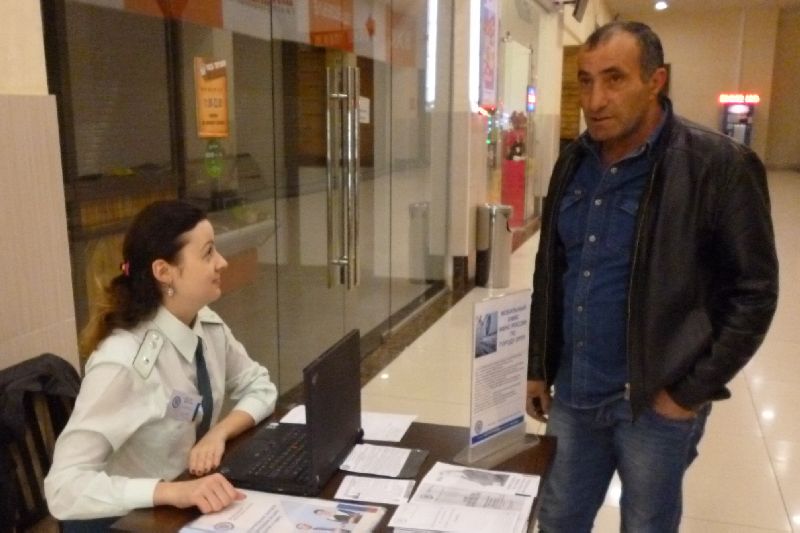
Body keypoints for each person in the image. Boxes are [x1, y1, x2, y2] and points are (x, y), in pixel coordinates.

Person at [525, 21, 778, 532]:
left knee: (646, 525)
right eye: (586, 80)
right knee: (557, 519)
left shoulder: (718, 165)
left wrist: (686, 394)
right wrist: (538, 364)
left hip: (655, 401)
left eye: (614, 79)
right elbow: (551, 272)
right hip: (574, 392)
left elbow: (755, 294)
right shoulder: (572, 161)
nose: (595, 100)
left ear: (655, 81)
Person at [45, 200, 278, 531]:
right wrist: (171, 492)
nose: (222, 262)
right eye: (208, 253)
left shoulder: (205, 324)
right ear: (164, 271)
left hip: (182, 504)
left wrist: (218, 434)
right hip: (126, 520)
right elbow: (63, 488)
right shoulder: (121, 363)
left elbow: (260, 387)